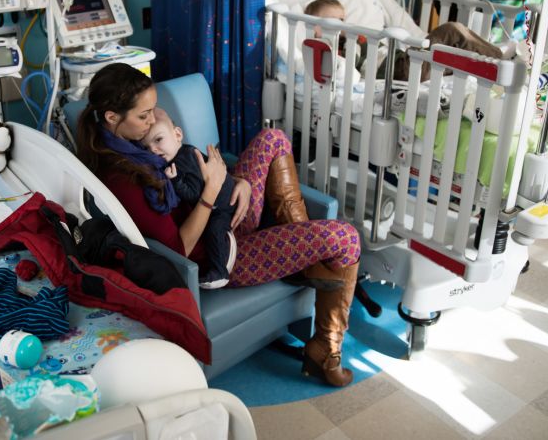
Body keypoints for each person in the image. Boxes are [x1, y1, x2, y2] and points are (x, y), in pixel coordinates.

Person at [76, 63, 362, 387]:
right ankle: (327, 348)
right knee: (346, 237)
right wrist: (213, 190)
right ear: (112, 117)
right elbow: (176, 251)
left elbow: (190, 168)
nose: (152, 119)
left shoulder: (136, 144)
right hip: (217, 256)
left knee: (273, 138)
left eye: (152, 109)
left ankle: (306, 267)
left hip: (224, 216)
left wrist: (233, 181)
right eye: (144, 115)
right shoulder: (125, 176)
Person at [140, 107, 237, 289]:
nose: (153, 149)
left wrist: (175, 180)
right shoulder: (184, 153)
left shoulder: (182, 162)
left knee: (214, 231)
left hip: (222, 209)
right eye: (146, 147)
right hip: (224, 198)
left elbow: (194, 195)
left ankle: (220, 273)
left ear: (177, 134)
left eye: (158, 139)